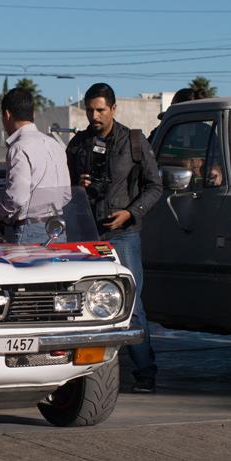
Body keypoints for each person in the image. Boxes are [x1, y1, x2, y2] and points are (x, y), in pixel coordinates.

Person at [66, 83, 163, 393]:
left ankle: (145, 372)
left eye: (100, 110)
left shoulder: (133, 141)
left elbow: (154, 187)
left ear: (113, 108)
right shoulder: (78, 144)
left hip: (123, 235)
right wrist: (76, 185)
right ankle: (87, 373)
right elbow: (63, 191)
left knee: (132, 305)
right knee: (83, 305)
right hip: (87, 236)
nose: (94, 116)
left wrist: (131, 213)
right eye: (90, 110)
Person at [0, 87, 71, 244]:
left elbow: (16, 198)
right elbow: (66, 194)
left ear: (7, 115)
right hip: (58, 230)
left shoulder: (19, 147)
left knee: (25, 269)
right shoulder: (55, 144)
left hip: (30, 231)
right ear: (33, 114)